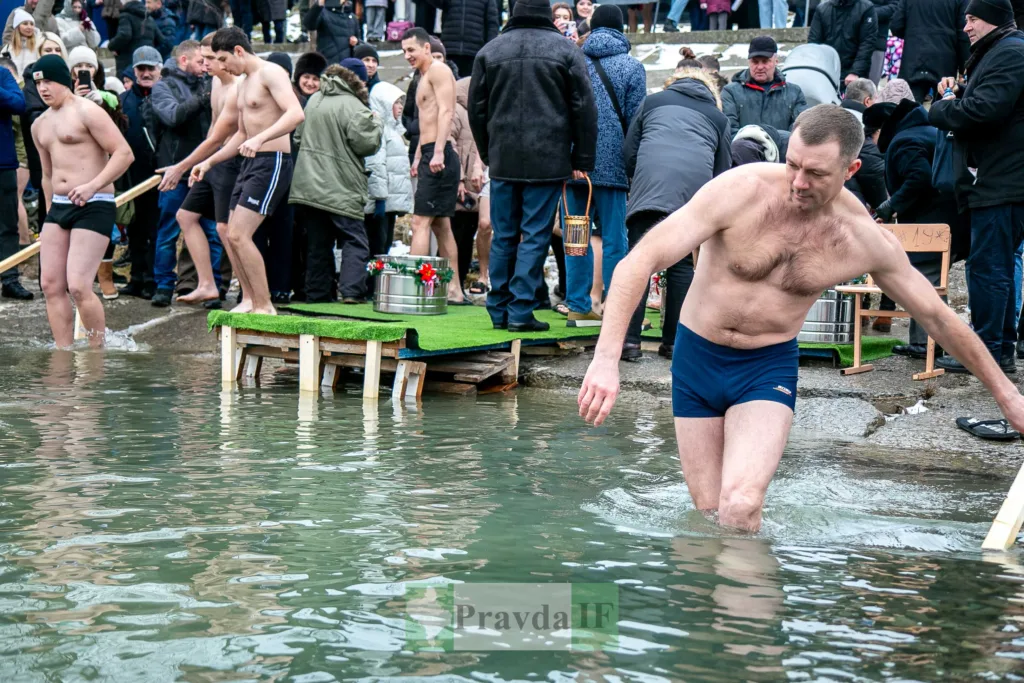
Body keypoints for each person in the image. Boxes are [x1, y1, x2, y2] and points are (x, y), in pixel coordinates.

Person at [578, 104, 1024, 532]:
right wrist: (606, 358)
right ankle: (720, 604)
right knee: (710, 514)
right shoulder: (741, 189)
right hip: (697, 359)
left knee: (741, 505)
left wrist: (1007, 397)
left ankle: (751, 606)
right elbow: (641, 260)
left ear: (850, 171)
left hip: (764, 366)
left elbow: (938, 317)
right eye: (793, 165)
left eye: (816, 173)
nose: (798, 182)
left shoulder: (864, 240)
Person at [469, 0, 598, 332]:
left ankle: (498, 308)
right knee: (536, 234)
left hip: (503, 156)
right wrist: (582, 159)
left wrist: (488, 153)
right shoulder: (566, 50)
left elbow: (476, 110)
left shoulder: (490, 50)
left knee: (504, 234)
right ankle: (521, 309)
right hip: (548, 157)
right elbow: (584, 108)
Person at [929, 0, 1024, 373]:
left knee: (989, 268)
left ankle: (988, 353)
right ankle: (997, 351)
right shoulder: (997, 52)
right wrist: (961, 90)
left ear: (994, 20)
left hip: (1003, 181)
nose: (965, 27)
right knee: (994, 266)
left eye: (973, 19)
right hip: (999, 178)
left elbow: (984, 111)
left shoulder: (1009, 53)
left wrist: (939, 108)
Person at [186, 26, 304, 315]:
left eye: (223, 60)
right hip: (251, 162)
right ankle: (250, 299)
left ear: (238, 51)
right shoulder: (243, 83)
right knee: (228, 231)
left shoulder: (270, 72)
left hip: (273, 160)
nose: (222, 67)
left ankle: (265, 305)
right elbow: (240, 134)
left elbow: (296, 113)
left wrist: (261, 137)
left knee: (239, 234)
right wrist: (209, 161)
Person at [622, 68, 731, 360]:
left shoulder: (653, 102)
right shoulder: (718, 118)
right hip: (690, 203)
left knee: (639, 263)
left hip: (649, 193)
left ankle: (629, 343)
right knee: (682, 267)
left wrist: (642, 180)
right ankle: (672, 344)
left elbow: (629, 152)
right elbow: (722, 174)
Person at [31, 55, 134, 347]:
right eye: (38, 82)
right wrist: (49, 214)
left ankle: (96, 350)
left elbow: (124, 153)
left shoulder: (88, 111)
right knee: (50, 285)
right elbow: (47, 175)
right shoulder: (39, 124)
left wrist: (93, 185)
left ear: (65, 80)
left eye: (48, 81)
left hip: (94, 202)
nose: (43, 88)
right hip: (59, 209)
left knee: (78, 285)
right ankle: (63, 351)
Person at [562, 5, 645, 328]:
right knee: (615, 238)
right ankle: (615, 306)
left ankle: (578, 306)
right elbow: (636, 121)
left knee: (575, 236)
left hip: (572, 166)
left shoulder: (573, 62)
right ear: (621, 29)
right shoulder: (632, 66)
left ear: (591, 28)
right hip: (613, 165)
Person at [866, 100, 960, 359]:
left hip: (930, 226)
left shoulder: (904, 140)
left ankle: (928, 344)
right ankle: (929, 342)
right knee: (930, 282)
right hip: (948, 220)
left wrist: (888, 206)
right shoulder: (926, 131)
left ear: (880, 130)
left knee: (925, 283)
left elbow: (919, 176)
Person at [290, 60, 382, 303]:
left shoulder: (315, 99)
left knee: (318, 243)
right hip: (342, 185)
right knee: (355, 240)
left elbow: (298, 137)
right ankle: (352, 292)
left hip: (309, 184)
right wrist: (377, 123)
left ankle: (317, 294)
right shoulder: (354, 105)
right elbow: (367, 144)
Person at [171, 34, 244, 306]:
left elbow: (220, 137)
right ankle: (206, 284)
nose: (205, 64)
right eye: (202, 59)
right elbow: (212, 128)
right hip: (214, 160)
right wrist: (202, 163)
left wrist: (184, 166)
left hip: (232, 160)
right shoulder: (215, 82)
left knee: (227, 231)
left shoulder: (238, 86)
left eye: (211, 59)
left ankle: (250, 291)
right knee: (186, 216)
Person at [148, 39, 217, 307]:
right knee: (168, 231)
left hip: (205, 169)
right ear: (184, 61)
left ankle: (212, 287)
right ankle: (164, 285)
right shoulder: (163, 87)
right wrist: (203, 99)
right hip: (174, 169)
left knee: (211, 231)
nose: (205, 67)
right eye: (200, 62)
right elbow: (173, 116)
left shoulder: (209, 84)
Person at [401, 28, 466, 304]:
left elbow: (446, 112)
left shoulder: (438, 71)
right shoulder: (422, 77)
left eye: (411, 50)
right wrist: (418, 155)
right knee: (442, 226)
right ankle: (454, 290)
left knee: (419, 222)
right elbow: (425, 121)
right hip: (428, 152)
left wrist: (438, 151)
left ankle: (416, 291)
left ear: (426, 48)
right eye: (404, 51)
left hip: (440, 155)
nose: (407, 56)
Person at [119, 46, 162, 299]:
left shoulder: (167, 96)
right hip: (131, 175)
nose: (146, 73)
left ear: (159, 69)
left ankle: (152, 279)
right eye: (141, 69)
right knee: (134, 229)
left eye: (151, 68)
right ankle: (136, 277)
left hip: (159, 175)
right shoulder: (123, 101)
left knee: (155, 230)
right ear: (134, 71)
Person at [722, 36, 807, 137]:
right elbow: (729, 130)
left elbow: (799, 131)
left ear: (776, 61)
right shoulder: (730, 92)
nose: (760, 67)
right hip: (744, 151)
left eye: (765, 61)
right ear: (749, 62)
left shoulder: (794, 93)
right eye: (755, 62)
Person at [890, 0, 970, 103]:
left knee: (908, 110)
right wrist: (965, 67)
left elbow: (896, 25)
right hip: (944, 61)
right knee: (942, 109)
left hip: (914, 57)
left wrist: (912, 35)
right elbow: (963, 35)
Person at [0, 55, 28, 301]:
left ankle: (9, 279)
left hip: (3, 165)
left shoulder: (3, 75)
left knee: (7, 226)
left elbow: (19, 104)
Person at [808, 0, 878, 87]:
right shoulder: (822, 8)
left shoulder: (866, 8)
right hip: (827, 71)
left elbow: (867, 43)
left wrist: (855, 72)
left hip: (854, 74)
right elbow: (814, 43)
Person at [108, 0, 167, 76]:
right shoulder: (149, 18)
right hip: (147, 60)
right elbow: (161, 39)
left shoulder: (125, 15)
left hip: (127, 60)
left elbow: (124, 35)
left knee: (127, 85)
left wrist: (111, 46)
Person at [303, 0, 359, 66]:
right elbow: (309, 25)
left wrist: (356, 42)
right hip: (328, 64)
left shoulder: (352, 17)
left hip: (347, 66)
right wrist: (319, 4)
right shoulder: (323, 12)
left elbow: (358, 41)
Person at [2, 10, 40, 75]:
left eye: (32, 24)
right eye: (25, 24)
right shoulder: (7, 48)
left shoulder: (40, 45)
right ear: (17, 27)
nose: (29, 27)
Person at [867, 0, 897, 83]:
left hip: (877, 40)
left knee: (870, 84)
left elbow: (894, 7)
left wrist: (868, 12)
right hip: (853, 41)